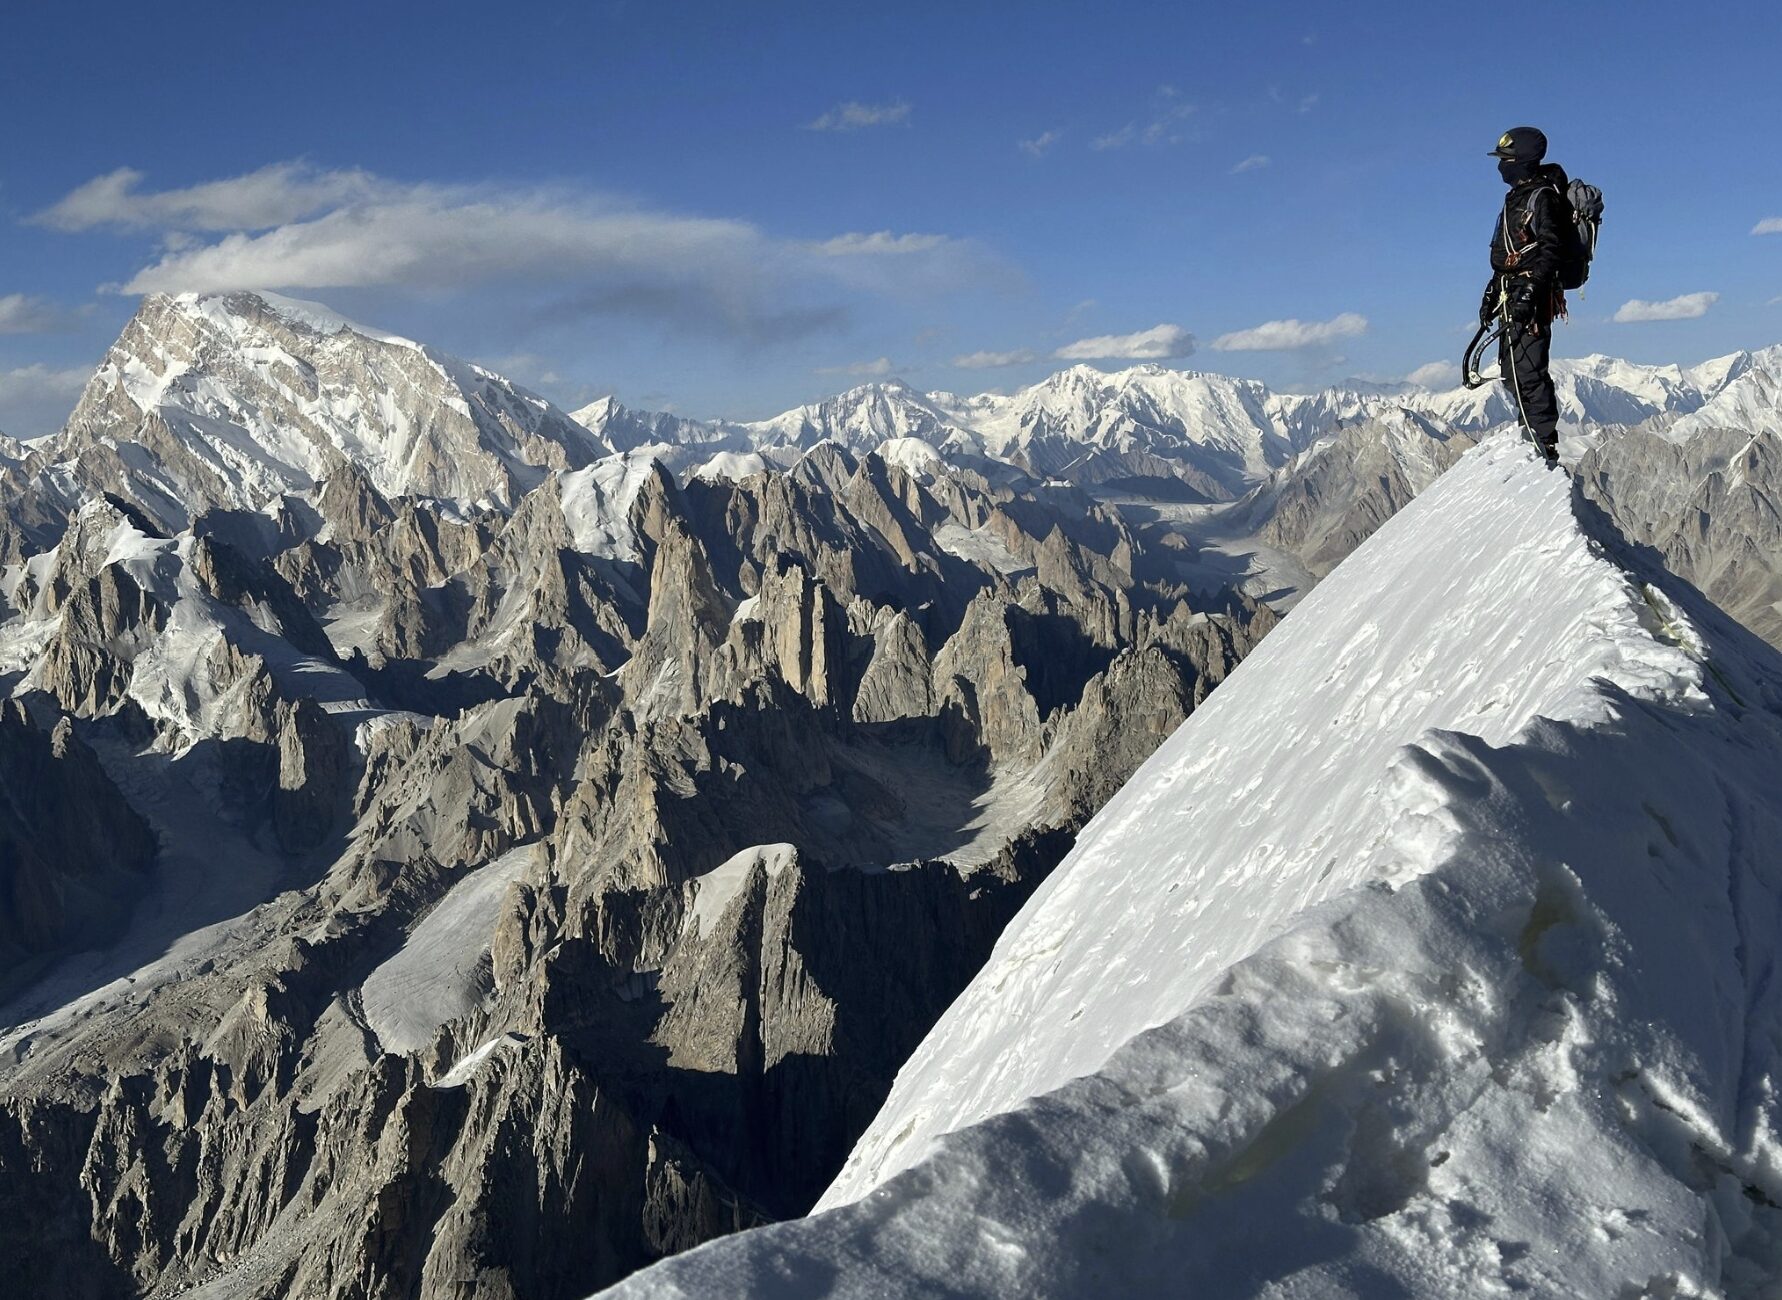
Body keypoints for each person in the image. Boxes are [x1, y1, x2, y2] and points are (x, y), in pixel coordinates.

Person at [1481, 126, 1566, 466]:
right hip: (1510, 292)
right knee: (1512, 370)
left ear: (1521, 161)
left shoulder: (1542, 197)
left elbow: (1551, 249)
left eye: (1506, 159)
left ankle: (1543, 443)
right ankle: (1529, 432)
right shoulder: (1517, 196)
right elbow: (1508, 251)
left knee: (1529, 370)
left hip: (1532, 296)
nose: (1501, 166)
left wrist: (1532, 289)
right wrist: (1492, 291)